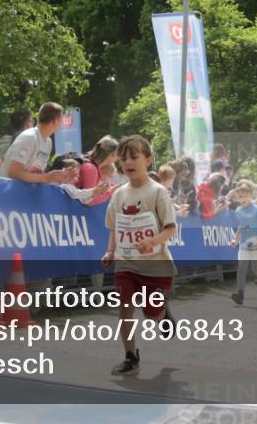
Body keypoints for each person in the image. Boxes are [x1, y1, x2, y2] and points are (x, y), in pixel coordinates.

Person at [101, 135, 177, 376]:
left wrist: (153, 241)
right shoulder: (118, 195)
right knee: (124, 308)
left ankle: (163, 315)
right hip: (126, 263)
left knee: (152, 313)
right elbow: (115, 226)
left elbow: (171, 227)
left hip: (155, 265)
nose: (128, 162)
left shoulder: (158, 192)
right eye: (124, 159)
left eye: (134, 157)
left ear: (148, 160)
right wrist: (110, 250)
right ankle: (131, 355)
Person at [0, 102, 74, 184]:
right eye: (61, 120)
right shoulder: (29, 137)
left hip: (24, 193)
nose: (62, 124)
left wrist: (59, 179)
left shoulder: (48, 142)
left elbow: (37, 176)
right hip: (7, 192)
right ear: (55, 121)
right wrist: (46, 177)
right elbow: (13, 172)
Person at [229, 181, 257, 305]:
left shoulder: (256, 210)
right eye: (241, 197)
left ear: (251, 196)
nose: (243, 199)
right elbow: (241, 225)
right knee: (241, 268)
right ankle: (240, 295)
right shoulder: (238, 211)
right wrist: (235, 239)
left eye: (246, 196)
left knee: (255, 267)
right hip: (243, 244)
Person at [74, 136, 120, 205]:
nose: (117, 159)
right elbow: (88, 201)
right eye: (117, 155)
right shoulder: (91, 169)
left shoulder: (90, 164)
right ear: (111, 155)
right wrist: (111, 192)